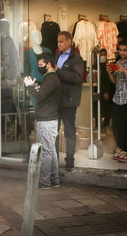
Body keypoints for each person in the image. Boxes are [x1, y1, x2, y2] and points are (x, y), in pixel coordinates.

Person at [23, 52, 61, 189]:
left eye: (41, 65)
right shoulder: (49, 78)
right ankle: (54, 180)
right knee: (50, 151)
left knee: (46, 152)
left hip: (46, 121)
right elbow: (43, 93)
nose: (39, 67)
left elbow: (40, 96)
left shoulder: (51, 78)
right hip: (49, 119)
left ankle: (45, 182)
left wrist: (30, 87)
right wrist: (36, 86)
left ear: (48, 64)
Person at [55, 31, 85, 171]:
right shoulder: (57, 55)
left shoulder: (76, 59)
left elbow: (77, 78)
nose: (59, 44)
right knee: (53, 131)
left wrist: (58, 71)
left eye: (61, 41)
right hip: (56, 100)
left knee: (69, 132)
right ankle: (53, 160)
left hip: (69, 101)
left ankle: (70, 162)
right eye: (58, 41)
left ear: (69, 42)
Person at [99, 49, 115, 127]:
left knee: (109, 110)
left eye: (105, 54)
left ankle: (105, 124)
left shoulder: (108, 65)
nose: (103, 56)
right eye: (101, 54)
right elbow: (99, 81)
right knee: (101, 109)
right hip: (102, 91)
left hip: (110, 90)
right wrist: (104, 91)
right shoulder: (96, 66)